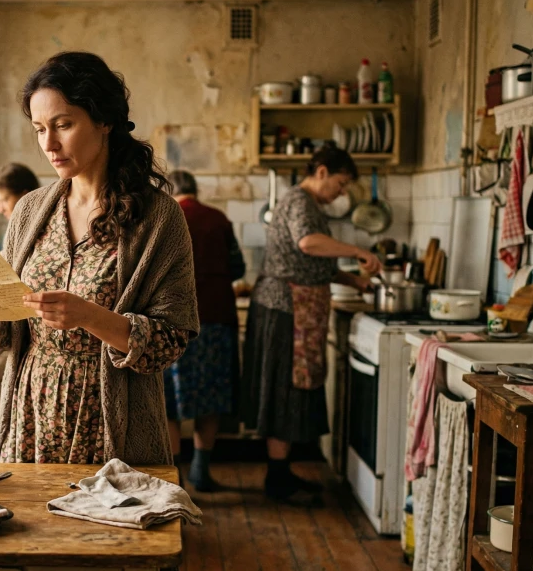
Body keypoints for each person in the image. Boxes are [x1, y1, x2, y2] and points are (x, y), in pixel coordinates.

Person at [0, 51, 196, 571]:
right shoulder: (30, 211)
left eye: (63, 123)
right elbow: (8, 333)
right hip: (29, 420)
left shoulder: (158, 219)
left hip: (111, 428)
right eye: (38, 128)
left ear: (104, 120)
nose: (49, 142)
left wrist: (94, 318)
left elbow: (174, 338)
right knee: (25, 570)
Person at [241, 145, 380, 502]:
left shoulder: (306, 204)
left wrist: (354, 281)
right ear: (321, 171)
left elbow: (315, 262)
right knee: (285, 390)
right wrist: (358, 252)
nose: (342, 192)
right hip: (286, 307)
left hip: (293, 308)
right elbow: (308, 243)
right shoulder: (299, 201)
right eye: (341, 182)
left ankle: (281, 474)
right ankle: (276, 479)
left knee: (290, 389)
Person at [163, 169, 244, 492]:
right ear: (195, 191)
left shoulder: (166, 218)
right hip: (215, 318)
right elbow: (238, 267)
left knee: (170, 403)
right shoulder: (218, 219)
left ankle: (175, 477)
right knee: (210, 398)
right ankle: (201, 470)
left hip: (173, 321)